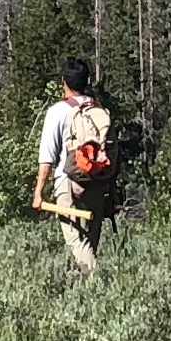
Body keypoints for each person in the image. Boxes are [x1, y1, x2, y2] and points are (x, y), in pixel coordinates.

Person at [30, 57, 120, 273]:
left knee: (77, 242)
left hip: (68, 183)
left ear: (64, 83)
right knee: (89, 242)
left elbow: (47, 157)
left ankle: (100, 282)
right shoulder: (100, 110)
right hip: (97, 183)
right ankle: (91, 295)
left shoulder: (57, 111)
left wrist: (38, 193)